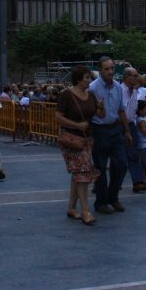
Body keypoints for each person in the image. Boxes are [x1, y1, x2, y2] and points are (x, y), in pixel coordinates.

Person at [55, 65, 101, 226]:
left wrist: (101, 108)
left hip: (87, 139)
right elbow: (58, 117)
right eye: (87, 77)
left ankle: (72, 208)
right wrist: (76, 125)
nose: (90, 80)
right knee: (82, 173)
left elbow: (99, 114)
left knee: (78, 173)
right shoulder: (67, 95)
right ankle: (86, 210)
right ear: (79, 79)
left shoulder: (91, 95)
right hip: (72, 140)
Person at [89, 56, 130, 214]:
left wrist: (127, 131)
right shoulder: (92, 88)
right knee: (100, 167)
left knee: (121, 164)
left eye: (112, 68)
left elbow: (121, 110)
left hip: (115, 128)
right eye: (106, 69)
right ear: (100, 70)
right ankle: (101, 202)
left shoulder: (118, 87)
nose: (110, 72)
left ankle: (113, 197)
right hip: (99, 129)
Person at [121, 67, 146, 193]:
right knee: (118, 157)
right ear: (127, 77)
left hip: (131, 124)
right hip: (120, 125)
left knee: (134, 153)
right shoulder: (120, 90)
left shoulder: (134, 91)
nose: (137, 78)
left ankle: (138, 181)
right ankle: (105, 184)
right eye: (135, 75)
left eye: (137, 75)